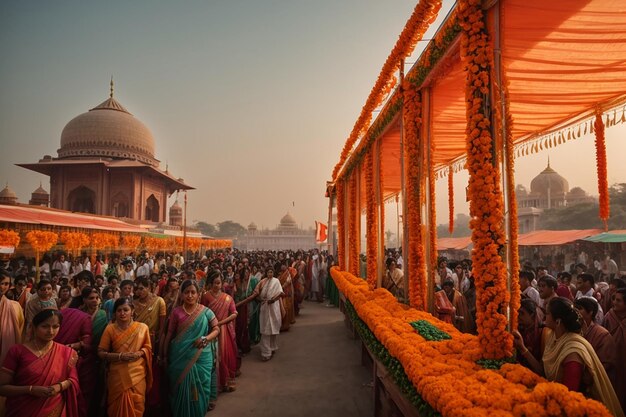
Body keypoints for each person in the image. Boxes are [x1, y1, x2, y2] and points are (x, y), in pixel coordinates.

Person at [513, 297, 623, 417]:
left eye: (548, 314)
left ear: (558, 321)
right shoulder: (553, 338)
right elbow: (543, 371)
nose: (544, 317)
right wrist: (522, 348)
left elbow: (568, 396)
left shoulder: (572, 352)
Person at [0, 309, 80, 417]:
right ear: (34, 327)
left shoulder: (66, 352)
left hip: (54, 409)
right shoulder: (17, 351)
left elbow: (72, 379)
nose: (51, 331)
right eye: (45, 326)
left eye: (55, 326)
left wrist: (59, 386)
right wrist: (30, 389)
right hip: (22, 409)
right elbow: (2, 388)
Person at [162, 279, 220, 416]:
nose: (190, 295)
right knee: (180, 388)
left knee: (201, 389)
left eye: (193, 292)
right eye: (186, 292)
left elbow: (216, 329)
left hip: (201, 356)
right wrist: (163, 355)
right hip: (179, 356)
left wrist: (206, 338)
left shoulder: (206, 311)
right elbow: (169, 335)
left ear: (198, 294)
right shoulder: (176, 312)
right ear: (181, 295)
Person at [98, 297, 153, 417]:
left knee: (137, 405)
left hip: (137, 374)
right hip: (117, 375)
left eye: (125, 310)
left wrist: (140, 353)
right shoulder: (110, 329)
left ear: (132, 311)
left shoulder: (143, 327)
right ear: (114, 313)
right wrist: (120, 356)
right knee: (116, 408)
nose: (122, 313)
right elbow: (101, 352)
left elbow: (148, 348)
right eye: (119, 310)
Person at [53, 297, 93, 416]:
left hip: (53, 354)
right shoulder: (84, 317)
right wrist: (71, 346)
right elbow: (87, 344)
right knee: (73, 390)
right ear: (82, 305)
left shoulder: (59, 314)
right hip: (71, 358)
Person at [201, 271, 238, 392]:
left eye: (219, 283)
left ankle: (226, 381)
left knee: (225, 355)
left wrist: (221, 323)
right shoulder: (206, 297)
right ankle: (215, 385)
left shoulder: (227, 298)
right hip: (211, 329)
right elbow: (202, 312)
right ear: (210, 284)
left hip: (224, 330)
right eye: (215, 283)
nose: (217, 285)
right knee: (213, 357)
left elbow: (234, 313)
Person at [133, 277, 166, 412]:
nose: (139, 291)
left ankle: (152, 401)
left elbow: (162, 327)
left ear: (149, 287)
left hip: (153, 342)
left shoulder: (159, 301)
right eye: (137, 289)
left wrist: (160, 346)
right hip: (136, 342)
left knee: (152, 372)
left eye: (142, 288)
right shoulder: (133, 304)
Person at [237, 267, 283, 361]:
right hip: (264, 307)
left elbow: (280, 293)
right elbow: (256, 293)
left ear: (273, 273)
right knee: (265, 330)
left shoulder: (276, 281)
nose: (270, 274)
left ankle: (272, 347)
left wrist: (273, 300)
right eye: (268, 272)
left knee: (273, 329)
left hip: (274, 308)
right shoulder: (262, 282)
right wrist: (261, 300)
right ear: (266, 273)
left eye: (271, 272)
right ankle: (266, 353)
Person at [573, 297, 616, 380]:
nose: (575, 311)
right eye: (574, 308)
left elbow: (605, 363)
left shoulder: (602, 335)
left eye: (579, 308)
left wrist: (588, 377)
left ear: (590, 312)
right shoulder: (572, 330)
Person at [602, 287, 626, 411]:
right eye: (614, 299)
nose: (614, 303)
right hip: (612, 363)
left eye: (619, 300)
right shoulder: (608, 317)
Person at [278, 262, 295, 331]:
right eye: (282, 265)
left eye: (284, 265)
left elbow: (288, 282)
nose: (283, 267)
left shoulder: (288, 273)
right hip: (281, 293)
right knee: (283, 308)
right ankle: (283, 324)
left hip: (287, 293)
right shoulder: (280, 273)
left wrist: (281, 287)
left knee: (286, 308)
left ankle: (286, 325)